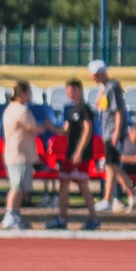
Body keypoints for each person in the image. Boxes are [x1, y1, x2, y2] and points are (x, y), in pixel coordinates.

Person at [53, 78, 97, 229]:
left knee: (82, 184)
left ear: (78, 90)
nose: (69, 94)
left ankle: (93, 217)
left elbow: (87, 130)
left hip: (81, 154)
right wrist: (51, 128)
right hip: (70, 153)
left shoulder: (84, 108)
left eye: (71, 90)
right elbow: (66, 130)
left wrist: (79, 151)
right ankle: (62, 218)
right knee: (64, 182)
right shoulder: (71, 110)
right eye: (67, 91)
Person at [91, 58, 132, 214]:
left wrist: (116, 133)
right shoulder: (105, 88)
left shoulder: (112, 87)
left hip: (112, 132)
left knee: (111, 166)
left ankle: (109, 199)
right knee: (112, 166)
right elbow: (98, 106)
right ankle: (132, 197)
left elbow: (119, 111)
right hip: (108, 131)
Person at [0, 80, 38, 231]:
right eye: (29, 92)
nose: (30, 95)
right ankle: (10, 214)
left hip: (16, 153)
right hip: (19, 155)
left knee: (19, 187)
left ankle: (14, 214)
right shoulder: (20, 110)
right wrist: (49, 126)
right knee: (17, 186)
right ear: (22, 93)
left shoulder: (10, 109)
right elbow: (33, 127)